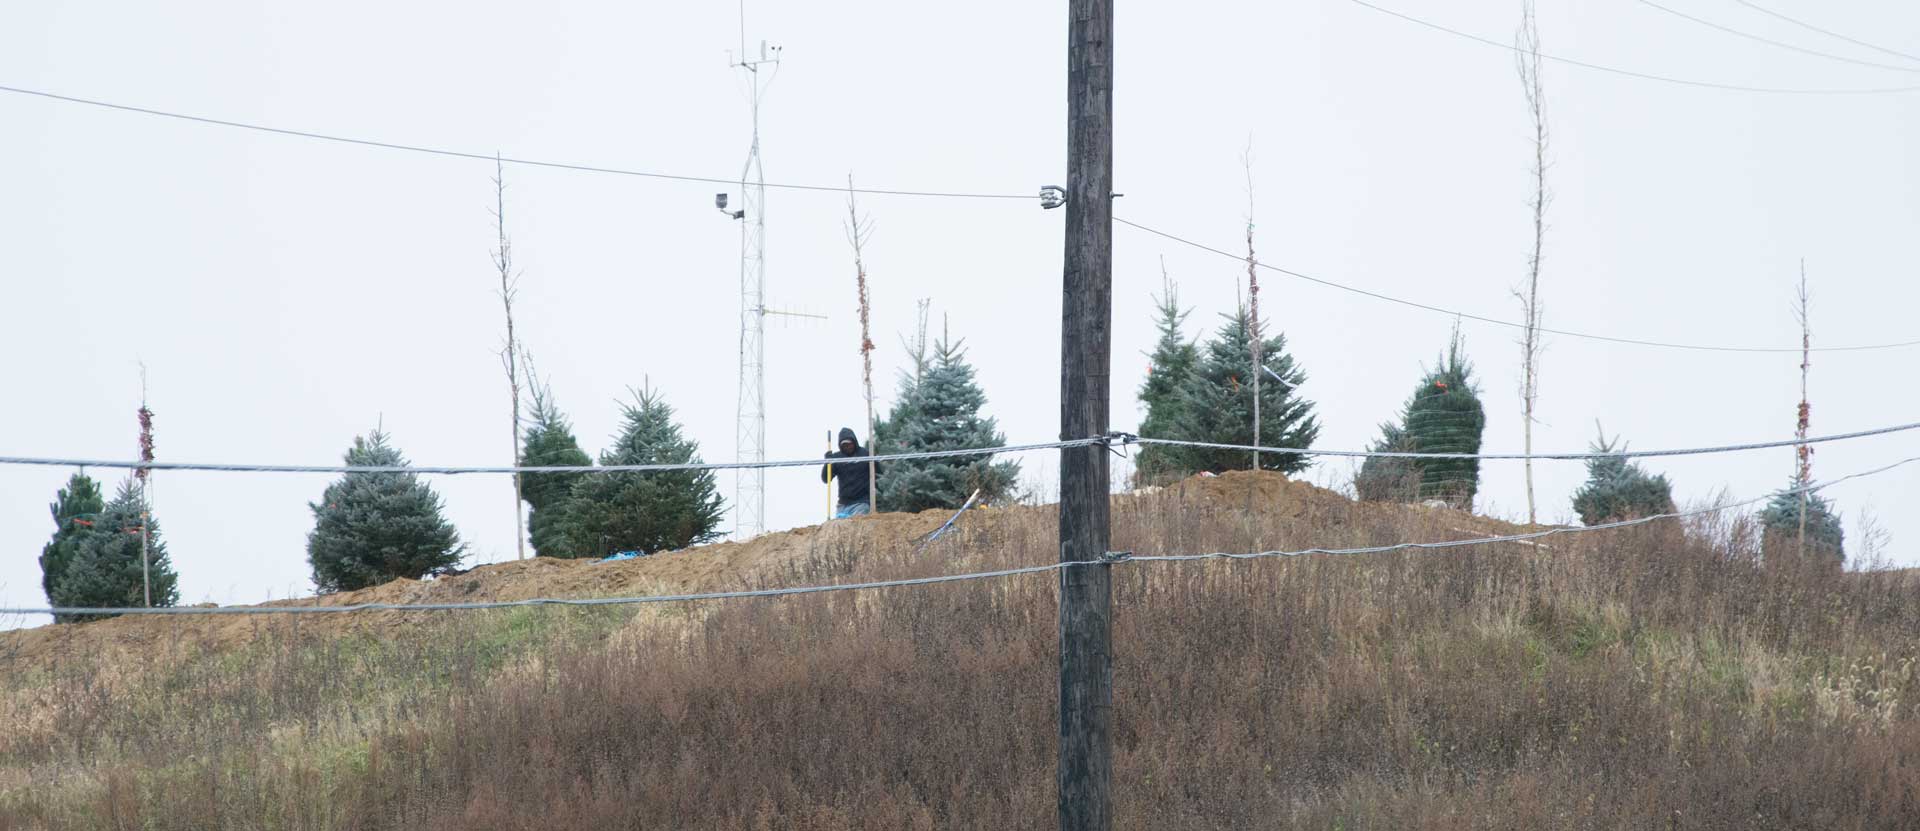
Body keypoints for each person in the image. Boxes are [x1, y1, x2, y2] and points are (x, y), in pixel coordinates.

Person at [821, 427, 879, 518]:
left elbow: (878, 475)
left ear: (854, 442)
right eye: (844, 445)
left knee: (855, 524)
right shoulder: (837, 458)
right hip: (843, 505)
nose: (847, 447)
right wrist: (827, 463)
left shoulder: (866, 455)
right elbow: (825, 479)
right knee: (839, 528)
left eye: (849, 444)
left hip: (861, 503)